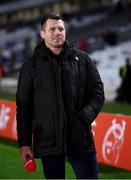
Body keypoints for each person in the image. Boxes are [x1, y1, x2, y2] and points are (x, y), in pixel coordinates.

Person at [16, 12, 105, 179]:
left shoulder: (83, 59)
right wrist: (25, 143)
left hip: (80, 139)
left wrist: (84, 117)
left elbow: (98, 92)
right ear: (42, 33)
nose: (57, 32)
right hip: (48, 141)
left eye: (60, 28)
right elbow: (24, 108)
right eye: (52, 29)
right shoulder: (30, 66)